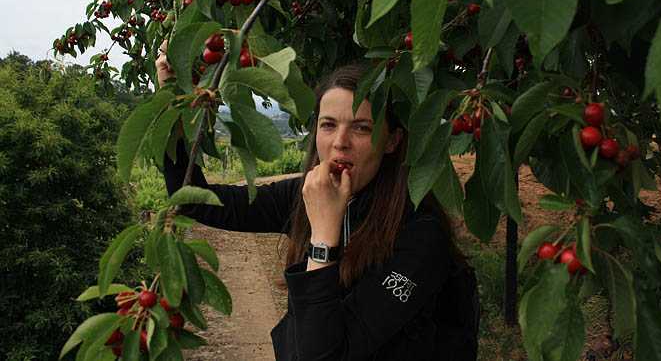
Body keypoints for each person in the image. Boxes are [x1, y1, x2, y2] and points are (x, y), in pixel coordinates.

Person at [156, 47, 479, 361]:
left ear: (393, 140)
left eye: (361, 128)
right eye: (328, 125)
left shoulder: (420, 235)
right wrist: (173, 101)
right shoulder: (305, 196)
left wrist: (323, 237)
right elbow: (196, 200)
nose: (340, 142)